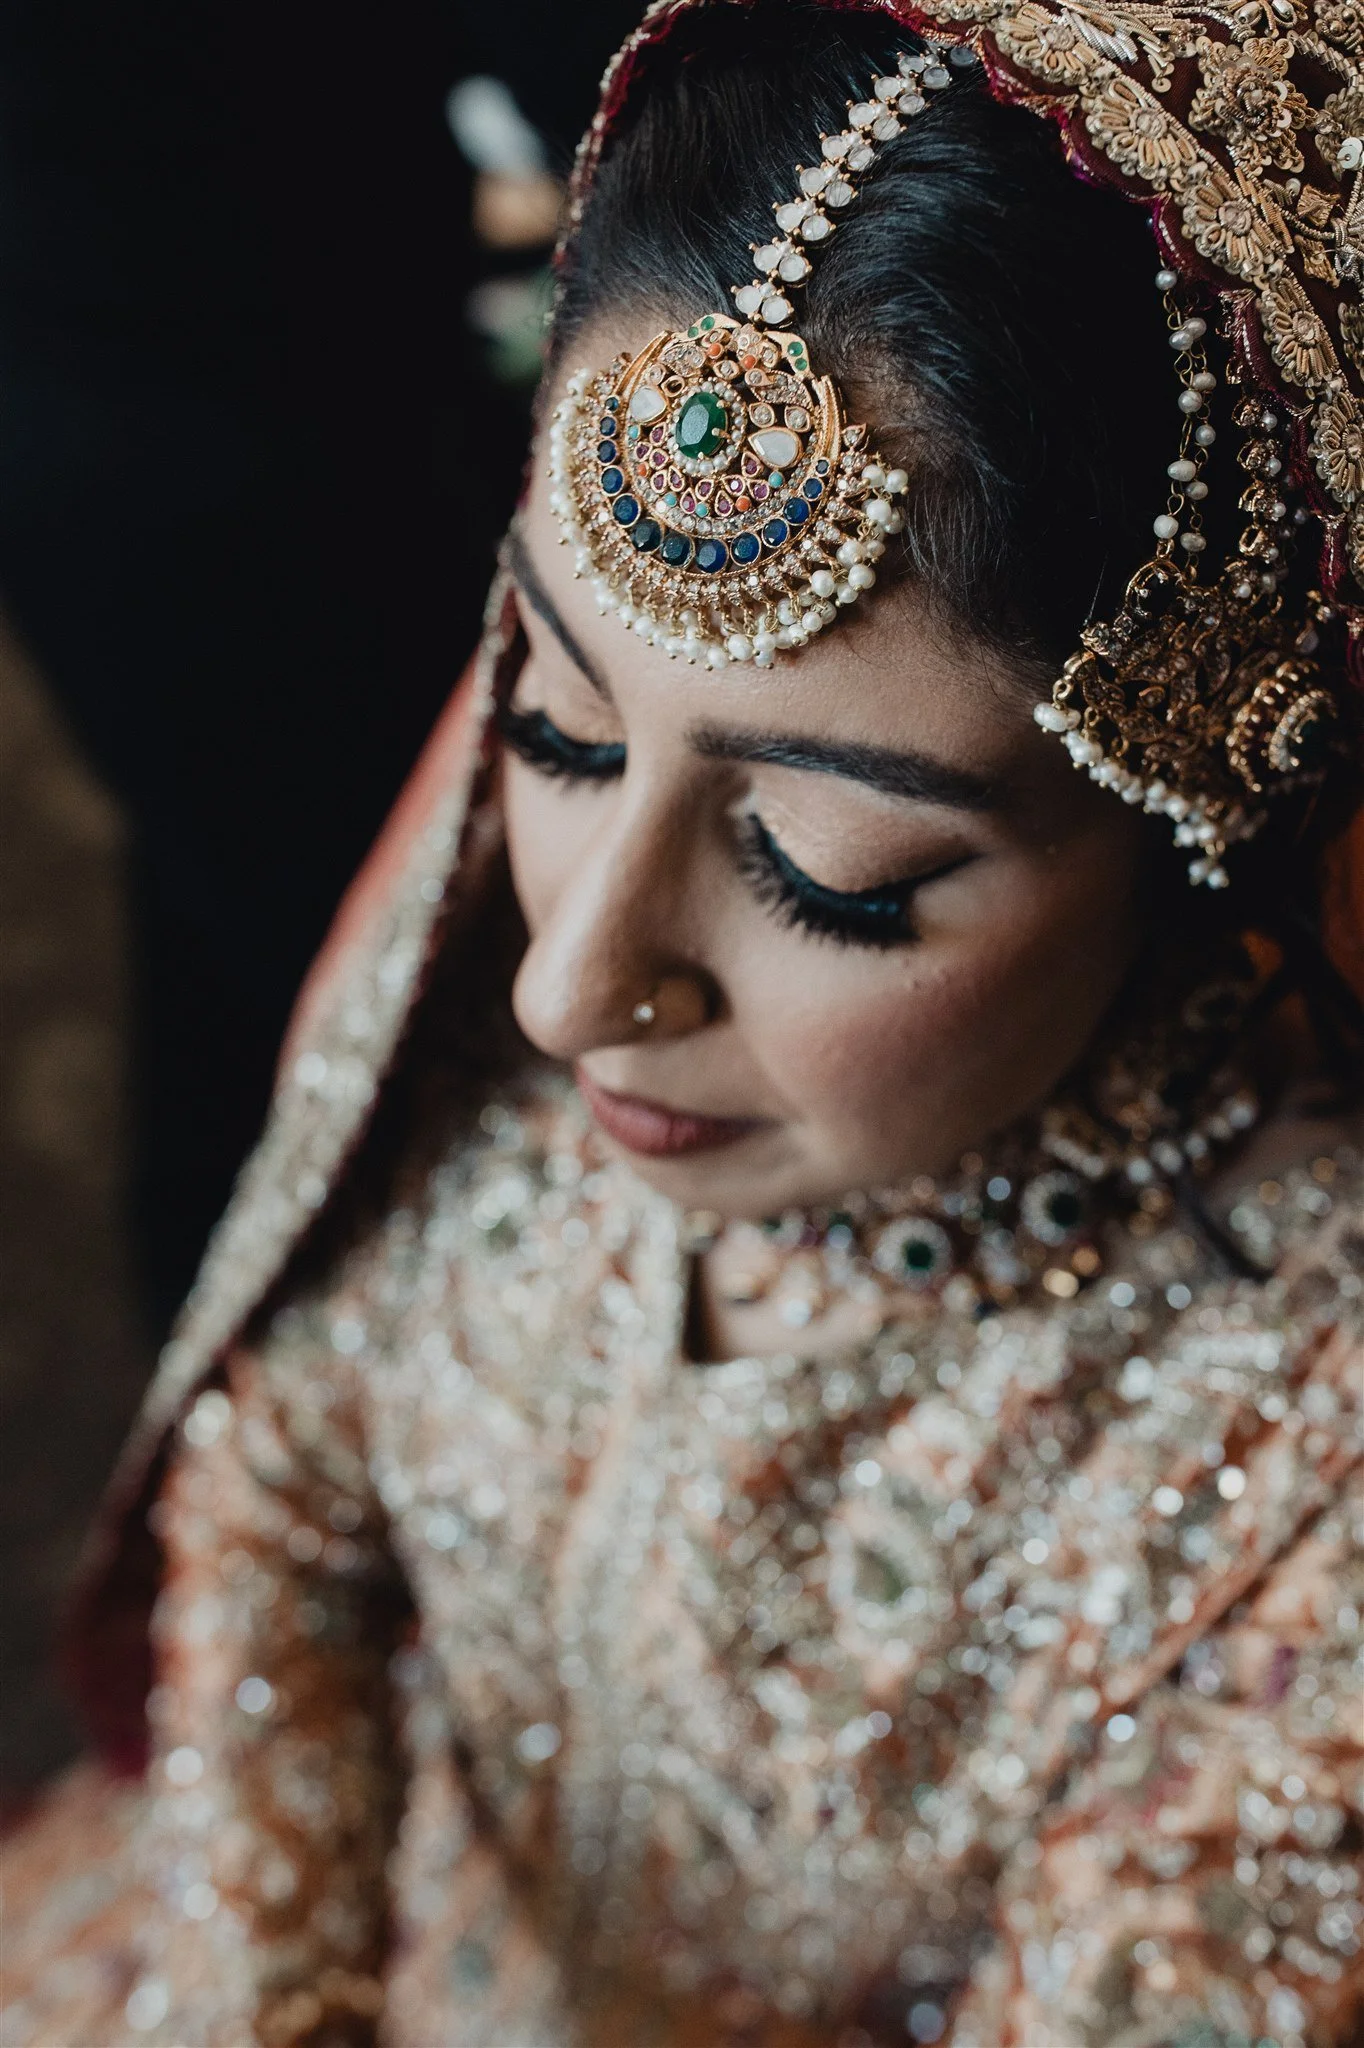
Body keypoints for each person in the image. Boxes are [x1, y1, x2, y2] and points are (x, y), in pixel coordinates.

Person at [3, 2, 1362, 2043]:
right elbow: (283, 1455)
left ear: (1191, 823)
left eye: (830, 872)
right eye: (549, 718)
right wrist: (267, 1981)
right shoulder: (480, 945)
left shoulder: (1302, 1463)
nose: (569, 989)